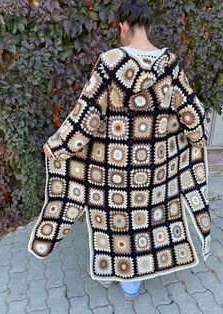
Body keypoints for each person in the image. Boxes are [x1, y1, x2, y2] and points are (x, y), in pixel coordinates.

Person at [29, 0, 211, 302]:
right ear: (148, 26)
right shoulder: (170, 65)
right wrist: (196, 140)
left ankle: (114, 271)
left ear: (123, 26)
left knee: (115, 222)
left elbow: (86, 115)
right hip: (153, 171)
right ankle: (133, 284)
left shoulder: (110, 62)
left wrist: (58, 145)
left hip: (113, 170)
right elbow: (192, 113)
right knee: (145, 221)